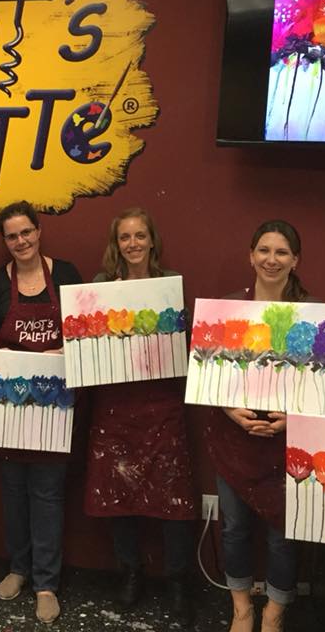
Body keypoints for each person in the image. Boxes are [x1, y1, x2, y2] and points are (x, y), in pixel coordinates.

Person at [82, 208, 198, 622]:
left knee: (174, 496)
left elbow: (184, 342)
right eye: (125, 237)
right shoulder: (100, 286)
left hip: (161, 403)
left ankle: (178, 579)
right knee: (118, 493)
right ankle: (130, 572)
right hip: (114, 405)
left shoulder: (170, 284)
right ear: (116, 244)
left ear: (152, 241)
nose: (132, 244)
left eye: (139, 236)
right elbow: (86, 345)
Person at [0, 201, 83, 625]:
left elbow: (84, 332)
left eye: (26, 232)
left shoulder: (67, 274)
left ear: (39, 231)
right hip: (10, 402)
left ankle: (46, 583)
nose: (20, 241)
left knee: (48, 493)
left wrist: (61, 351)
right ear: (5, 241)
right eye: (11, 236)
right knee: (13, 490)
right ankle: (18, 568)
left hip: (54, 403)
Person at [202, 220, 307, 632]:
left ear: (295, 260)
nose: (271, 259)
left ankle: (274, 612)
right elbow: (208, 374)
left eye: (282, 252)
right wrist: (231, 410)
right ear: (251, 255)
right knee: (234, 528)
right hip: (234, 438)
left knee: (283, 533)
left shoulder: (313, 314)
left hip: (288, 442)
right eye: (264, 250)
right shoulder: (227, 309)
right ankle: (242, 607)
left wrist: (292, 418)